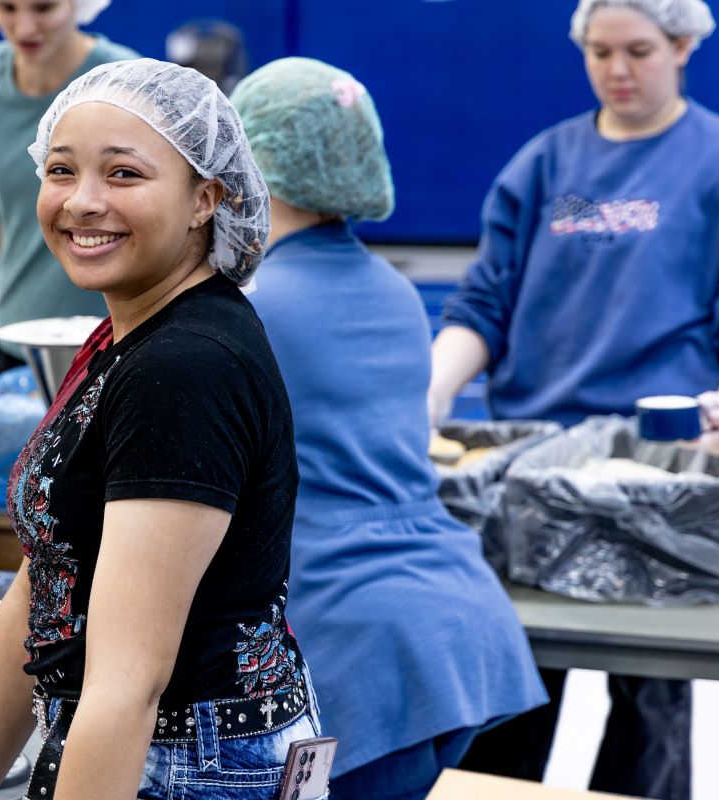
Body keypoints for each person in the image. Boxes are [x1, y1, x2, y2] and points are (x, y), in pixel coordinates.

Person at [0, 58, 318, 800]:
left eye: (124, 175)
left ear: (207, 197)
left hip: (185, 769)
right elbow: (45, 582)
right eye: (62, 169)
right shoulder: (127, 331)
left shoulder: (186, 367)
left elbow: (128, 683)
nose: (82, 202)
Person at [428, 2, 719, 798]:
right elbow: (482, 305)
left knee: (649, 700)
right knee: (511, 696)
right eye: (599, 51)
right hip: (531, 474)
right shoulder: (545, 166)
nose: (617, 69)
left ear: (684, 45)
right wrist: (432, 388)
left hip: (659, 476)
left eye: (639, 51)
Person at [231, 58, 546, 800]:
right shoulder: (396, 291)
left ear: (247, 165)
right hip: (462, 628)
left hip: (354, 645)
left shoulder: (249, 312)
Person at [0, 0, 136, 379]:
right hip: (17, 338)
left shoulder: (123, 78)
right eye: (8, 8)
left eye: (43, 8)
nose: (24, 27)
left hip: (114, 337)